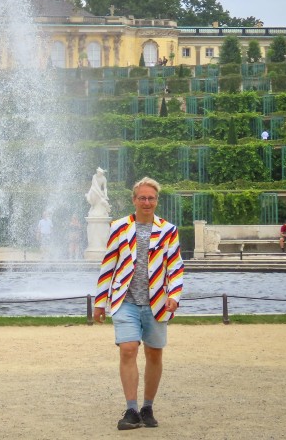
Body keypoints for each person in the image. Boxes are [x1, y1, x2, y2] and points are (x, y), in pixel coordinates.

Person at [93, 176, 184, 431]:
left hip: (157, 302)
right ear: (134, 200)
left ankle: (147, 406)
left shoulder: (168, 230)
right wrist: (100, 302)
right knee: (128, 349)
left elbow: (175, 267)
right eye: (142, 198)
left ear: (156, 200)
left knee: (154, 353)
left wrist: (174, 297)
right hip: (126, 300)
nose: (146, 202)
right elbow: (108, 265)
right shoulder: (120, 227)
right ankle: (131, 409)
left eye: (151, 198)